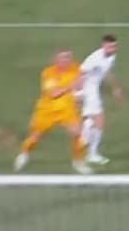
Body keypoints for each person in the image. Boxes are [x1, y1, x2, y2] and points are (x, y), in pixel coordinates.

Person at [14, 50, 92, 174]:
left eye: (68, 57)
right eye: (63, 58)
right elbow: (53, 94)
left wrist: (79, 97)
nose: (66, 60)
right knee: (34, 137)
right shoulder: (48, 73)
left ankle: (78, 161)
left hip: (67, 109)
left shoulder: (76, 69)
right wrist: (71, 85)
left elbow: (81, 85)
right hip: (47, 110)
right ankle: (24, 153)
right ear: (55, 60)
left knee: (77, 134)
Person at [77, 35, 123, 165]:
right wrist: (78, 94)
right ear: (103, 45)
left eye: (114, 46)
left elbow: (107, 72)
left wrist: (115, 88)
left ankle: (86, 134)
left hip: (93, 89)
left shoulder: (111, 57)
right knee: (100, 120)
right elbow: (80, 74)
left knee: (93, 120)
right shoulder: (94, 58)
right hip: (87, 89)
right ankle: (91, 153)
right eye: (110, 46)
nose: (112, 49)